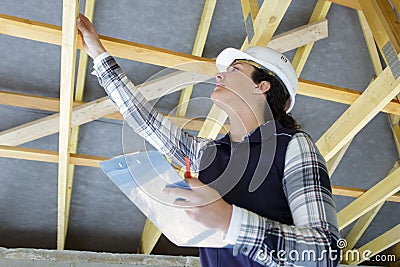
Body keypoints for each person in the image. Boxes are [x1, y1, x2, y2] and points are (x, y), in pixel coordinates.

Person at [77, 13, 341, 266]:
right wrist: (99, 55)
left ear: (262, 86)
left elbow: (325, 253)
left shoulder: (293, 146)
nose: (219, 74)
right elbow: (147, 122)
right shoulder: (207, 153)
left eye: (235, 69)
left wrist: (229, 220)